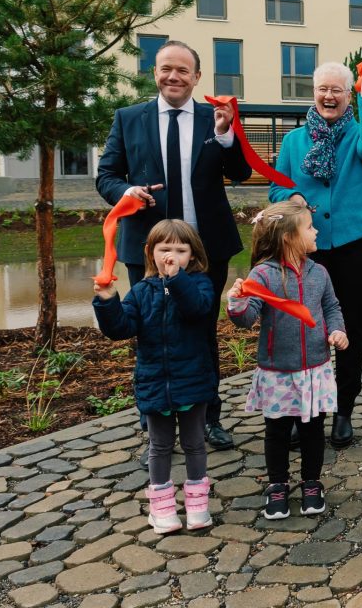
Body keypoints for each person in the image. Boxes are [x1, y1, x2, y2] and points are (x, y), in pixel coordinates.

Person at [96, 40, 251, 452]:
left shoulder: (216, 117)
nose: (173, 76)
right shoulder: (128, 118)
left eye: (183, 70)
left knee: (202, 332)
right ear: (155, 73)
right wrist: (126, 191)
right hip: (147, 251)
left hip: (204, 251)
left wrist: (225, 136)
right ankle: (156, 425)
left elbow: (240, 172)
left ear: (196, 77)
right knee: (150, 331)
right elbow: (106, 176)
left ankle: (209, 419)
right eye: (166, 68)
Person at [269, 61, 362, 450]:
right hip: (308, 248)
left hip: (358, 245)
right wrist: (292, 196)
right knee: (305, 328)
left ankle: (344, 409)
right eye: (323, 89)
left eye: (337, 90)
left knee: (350, 327)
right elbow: (276, 188)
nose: (329, 96)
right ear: (313, 92)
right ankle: (306, 410)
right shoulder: (293, 141)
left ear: (348, 95)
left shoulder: (358, 133)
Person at [92, 219, 217, 534]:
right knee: (159, 446)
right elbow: (121, 328)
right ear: (151, 253)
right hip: (155, 383)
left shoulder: (200, 284)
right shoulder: (141, 291)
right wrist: (107, 301)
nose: (171, 256)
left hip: (193, 381)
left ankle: (198, 508)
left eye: (180, 250)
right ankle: (163, 511)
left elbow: (197, 309)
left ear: (193, 254)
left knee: (194, 443)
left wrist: (176, 280)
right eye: (164, 249)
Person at [227, 202, 348, 520]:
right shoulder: (262, 274)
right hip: (278, 372)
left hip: (315, 369)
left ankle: (311, 483)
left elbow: (332, 307)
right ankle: (278, 485)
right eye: (309, 227)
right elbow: (247, 318)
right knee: (277, 432)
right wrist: (237, 302)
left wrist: (337, 330)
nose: (316, 231)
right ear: (288, 237)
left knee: (313, 431)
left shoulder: (319, 272)